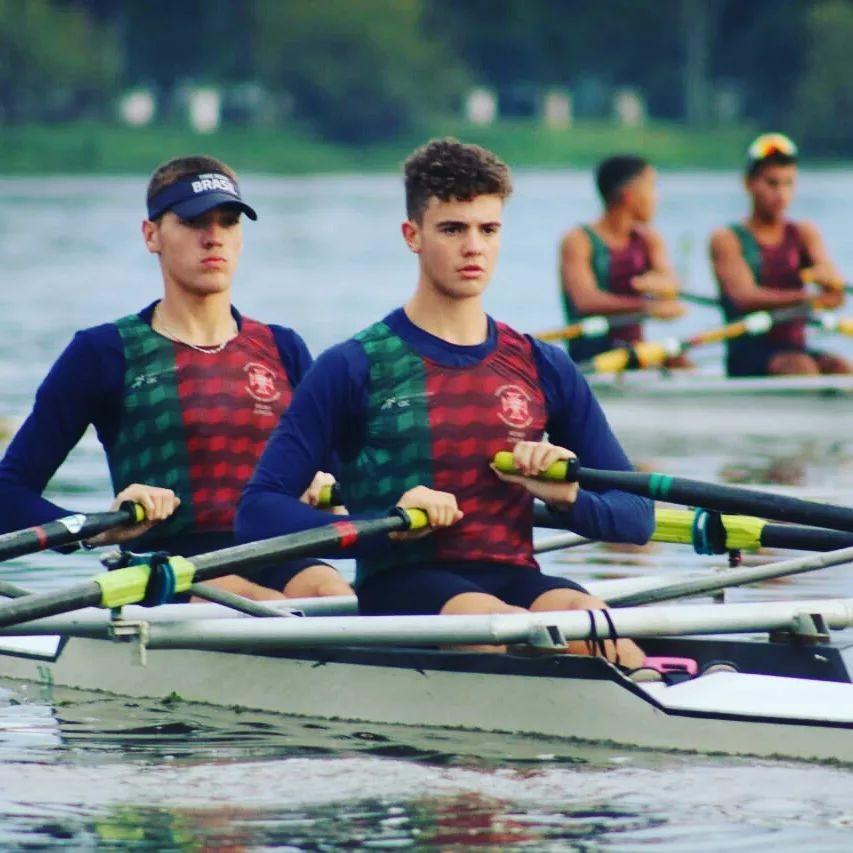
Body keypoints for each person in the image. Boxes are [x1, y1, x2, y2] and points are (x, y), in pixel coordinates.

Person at [237, 139, 654, 665]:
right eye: (453, 229)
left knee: (596, 626)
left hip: (517, 579)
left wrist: (568, 497)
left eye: (489, 229)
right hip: (403, 590)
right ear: (413, 235)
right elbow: (258, 511)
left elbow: (637, 518)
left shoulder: (544, 365)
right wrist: (379, 522)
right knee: (506, 626)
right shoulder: (353, 365)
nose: (473, 247)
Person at [0, 154, 352, 601]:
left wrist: (332, 490)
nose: (213, 238)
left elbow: (352, 489)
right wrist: (97, 532)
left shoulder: (283, 349)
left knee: (332, 592)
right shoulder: (102, 353)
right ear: (152, 236)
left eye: (228, 222)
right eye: (193, 222)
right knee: (267, 607)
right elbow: (8, 493)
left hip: (280, 551)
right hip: (165, 567)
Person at [709, 133, 849, 377]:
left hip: (796, 349)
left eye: (789, 184)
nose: (781, 194)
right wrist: (809, 299)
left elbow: (835, 296)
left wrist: (829, 286)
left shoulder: (804, 233)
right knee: (800, 367)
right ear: (748, 183)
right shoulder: (727, 239)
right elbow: (745, 297)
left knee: (841, 368)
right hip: (749, 354)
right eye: (772, 184)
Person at [559, 155, 687, 365]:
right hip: (591, 357)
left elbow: (671, 285)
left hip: (634, 350)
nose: (657, 197)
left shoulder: (649, 239)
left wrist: (662, 286)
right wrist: (647, 306)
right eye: (652, 187)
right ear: (629, 195)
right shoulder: (578, 240)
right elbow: (585, 300)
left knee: (680, 362)